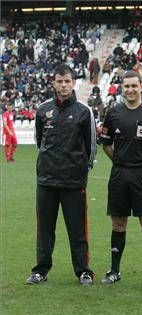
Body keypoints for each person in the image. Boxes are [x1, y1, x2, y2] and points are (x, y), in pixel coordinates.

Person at [27, 64, 97, 285]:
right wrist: (47, 166)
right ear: (53, 83)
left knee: (77, 229)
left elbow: (91, 147)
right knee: (45, 230)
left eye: (67, 81)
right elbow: (40, 143)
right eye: (59, 81)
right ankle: (41, 270)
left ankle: (83, 271)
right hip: (46, 180)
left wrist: (80, 171)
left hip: (74, 182)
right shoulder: (42, 110)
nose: (63, 85)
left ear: (73, 82)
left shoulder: (84, 111)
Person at [99, 70, 142, 286]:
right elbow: (107, 145)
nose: (130, 89)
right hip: (119, 174)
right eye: (126, 86)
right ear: (122, 88)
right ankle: (115, 270)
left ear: (141, 87)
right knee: (118, 224)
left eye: (133, 85)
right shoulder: (113, 113)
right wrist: (120, 162)